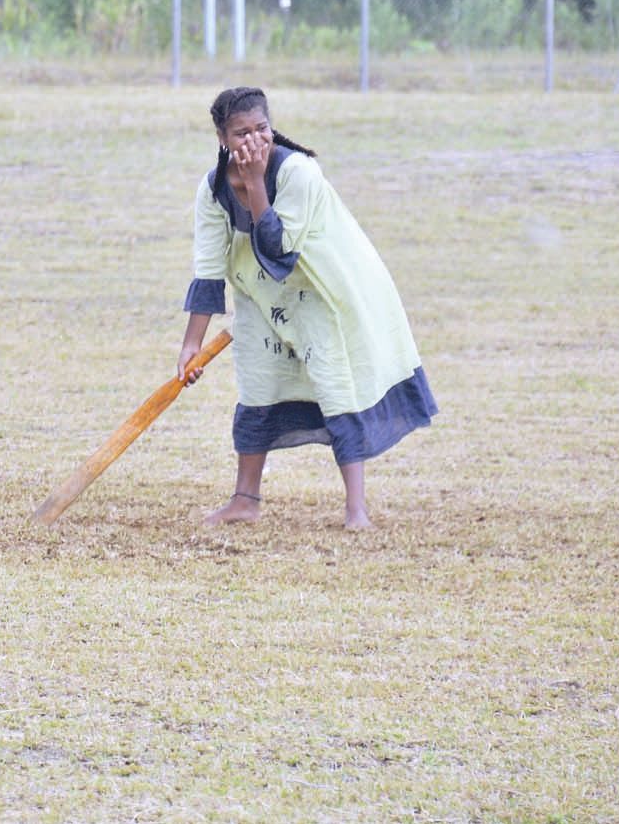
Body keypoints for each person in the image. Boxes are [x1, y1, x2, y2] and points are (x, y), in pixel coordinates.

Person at [178, 86, 437, 530]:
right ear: (222, 138)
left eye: (262, 129)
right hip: (261, 296)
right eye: (241, 133)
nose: (254, 140)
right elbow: (208, 267)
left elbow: (280, 248)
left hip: (320, 291)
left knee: (336, 389)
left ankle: (356, 509)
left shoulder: (299, 173)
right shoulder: (212, 190)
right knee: (258, 389)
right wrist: (191, 345)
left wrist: (258, 181)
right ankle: (245, 500)